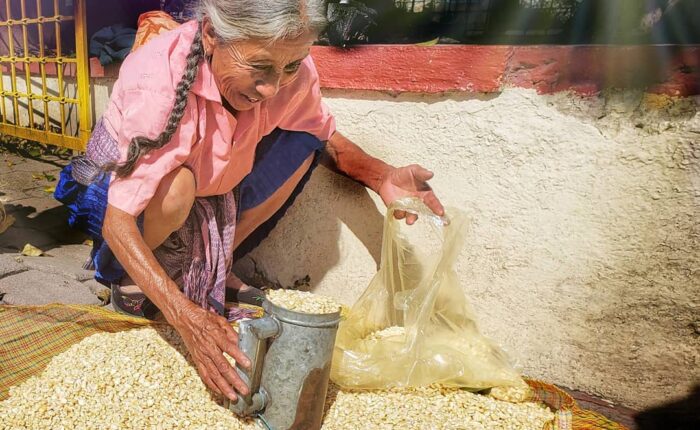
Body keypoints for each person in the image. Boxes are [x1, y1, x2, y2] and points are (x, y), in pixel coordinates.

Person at [55, 0, 444, 402]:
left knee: (301, 142)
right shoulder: (158, 80)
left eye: (290, 66)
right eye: (259, 67)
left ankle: (212, 268)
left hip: (211, 189)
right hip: (119, 197)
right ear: (211, 35)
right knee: (177, 190)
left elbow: (322, 134)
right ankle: (129, 281)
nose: (273, 88)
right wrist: (190, 321)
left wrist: (381, 177)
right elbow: (117, 222)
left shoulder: (291, 72)